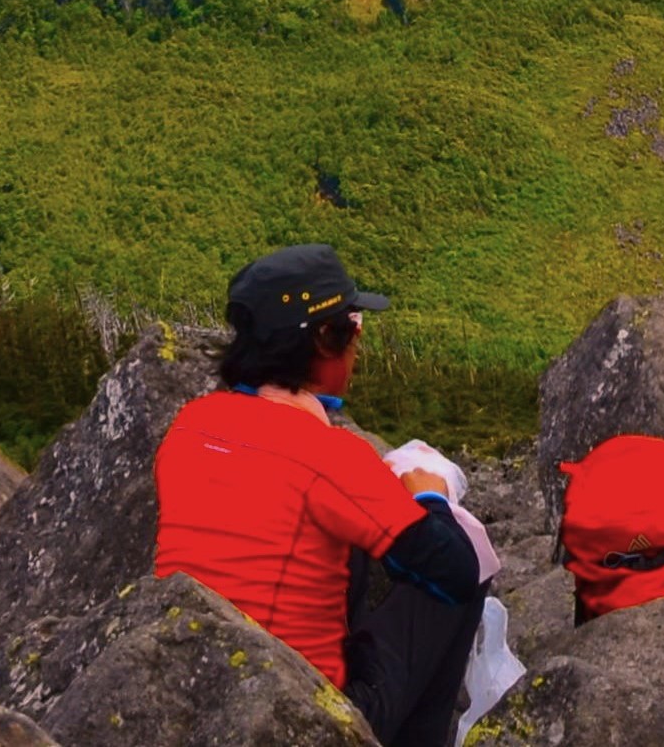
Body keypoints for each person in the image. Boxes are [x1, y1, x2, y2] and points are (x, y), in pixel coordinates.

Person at [149, 243, 491, 747]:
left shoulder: (190, 424)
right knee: (460, 560)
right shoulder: (328, 455)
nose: (359, 341)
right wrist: (429, 496)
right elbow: (453, 569)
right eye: (355, 325)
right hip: (298, 710)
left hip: (188, 684)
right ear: (327, 342)